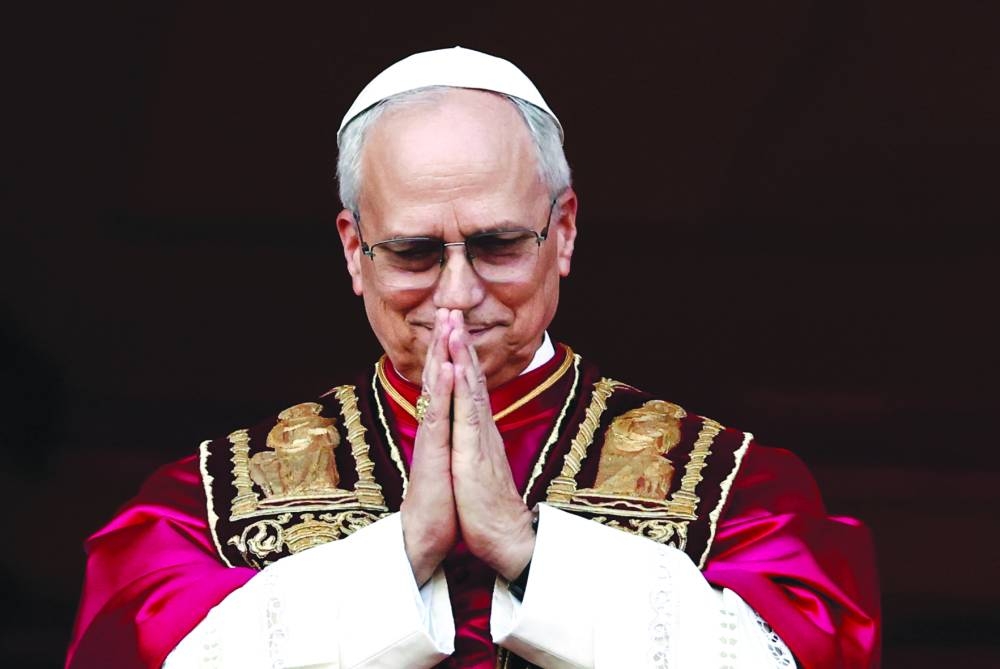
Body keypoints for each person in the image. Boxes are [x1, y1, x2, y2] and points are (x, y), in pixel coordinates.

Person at [65, 47, 880, 668]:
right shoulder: (198, 509)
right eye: (415, 253)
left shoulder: (738, 491)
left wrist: (532, 553)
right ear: (355, 252)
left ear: (562, 231)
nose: (456, 294)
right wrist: (401, 555)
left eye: (496, 245)